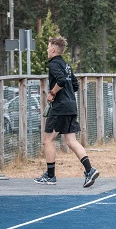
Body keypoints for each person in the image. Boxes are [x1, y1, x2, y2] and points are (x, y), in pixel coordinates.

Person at [34, 36, 99, 187]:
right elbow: (74, 84)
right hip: (70, 105)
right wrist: (66, 93)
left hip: (60, 108)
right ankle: (89, 170)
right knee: (71, 140)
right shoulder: (66, 64)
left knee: (47, 140)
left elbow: (62, 81)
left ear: (53, 50)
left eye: (48, 47)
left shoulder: (54, 64)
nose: (47, 50)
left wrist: (52, 93)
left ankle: (50, 176)